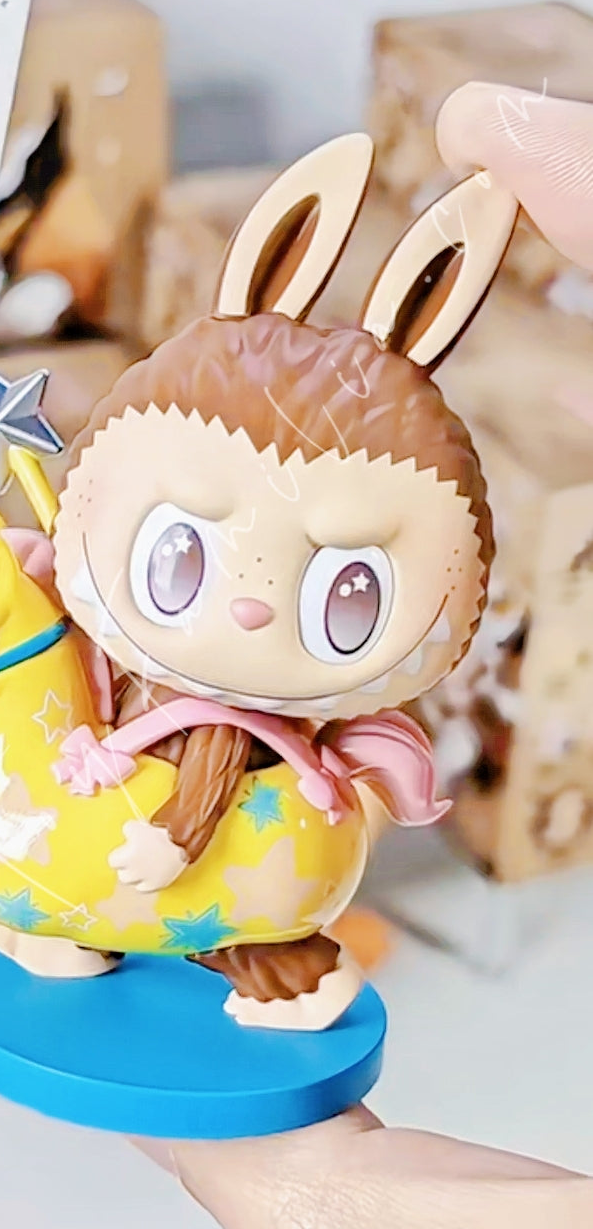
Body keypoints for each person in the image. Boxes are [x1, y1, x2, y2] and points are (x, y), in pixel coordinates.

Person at [133, 82, 593, 1227]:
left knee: (268, 864)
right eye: (183, 555)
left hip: (272, 836)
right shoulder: (143, 674)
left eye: (347, 590)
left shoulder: (324, 722)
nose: (246, 610)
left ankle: (274, 956)